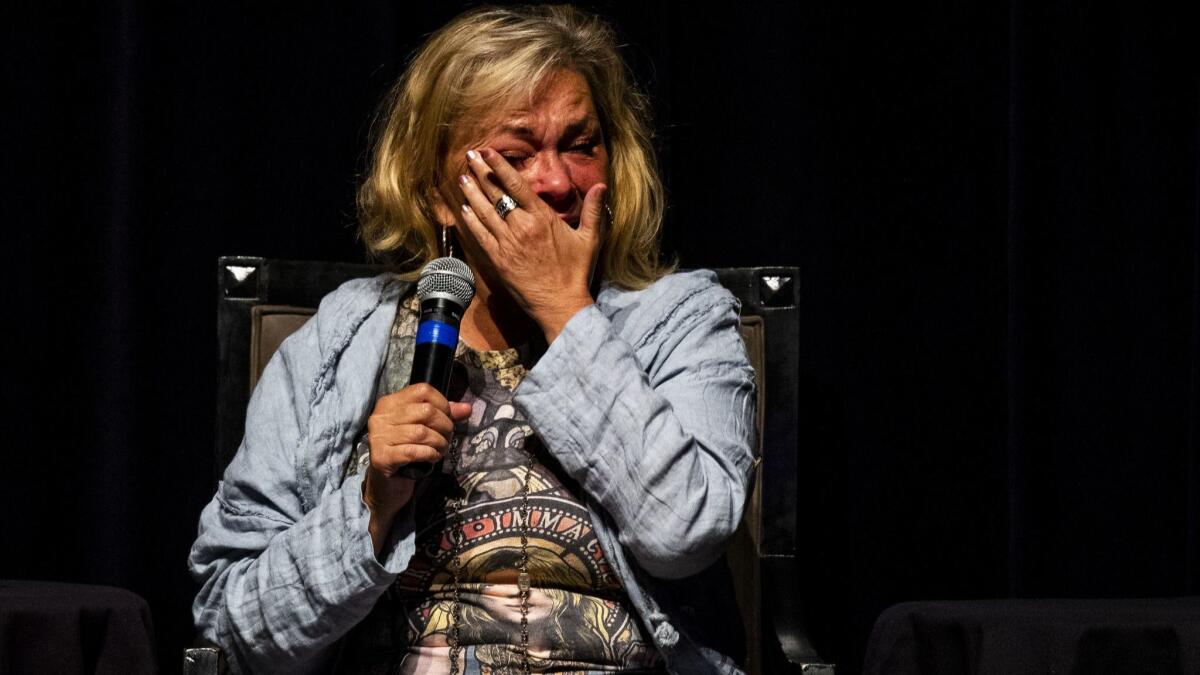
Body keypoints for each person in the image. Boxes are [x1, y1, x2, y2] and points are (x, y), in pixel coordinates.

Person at [189, 5, 757, 674]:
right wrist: (370, 508)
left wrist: (566, 313)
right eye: (515, 156)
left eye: (581, 144)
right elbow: (234, 625)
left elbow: (684, 534)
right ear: (437, 190)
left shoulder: (680, 319)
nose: (556, 182)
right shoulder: (343, 338)